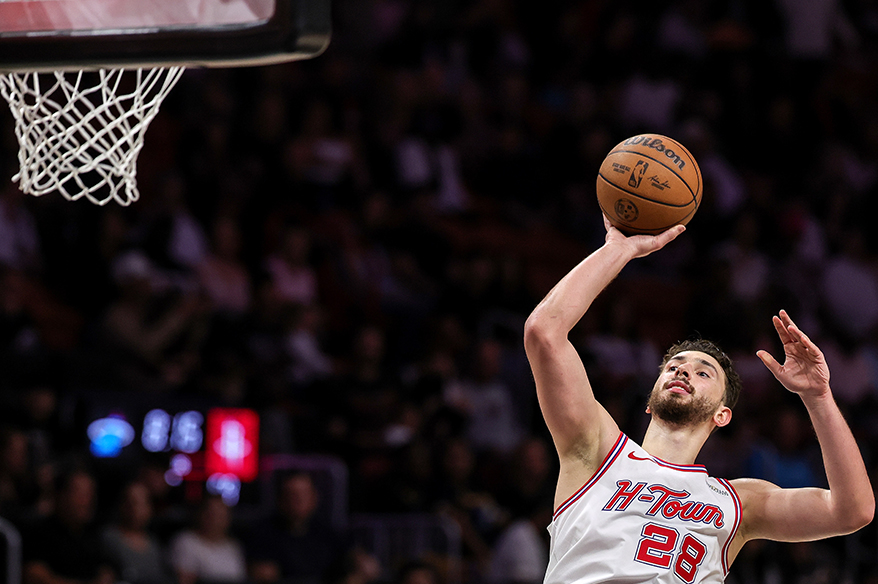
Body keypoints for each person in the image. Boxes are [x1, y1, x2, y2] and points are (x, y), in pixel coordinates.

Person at [523, 216, 874, 583]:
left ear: (722, 415)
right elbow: (544, 332)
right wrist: (619, 250)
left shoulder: (739, 502)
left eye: (703, 372)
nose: (682, 372)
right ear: (649, 401)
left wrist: (818, 398)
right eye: (673, 367)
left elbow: (853, 511)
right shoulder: (597, 449)